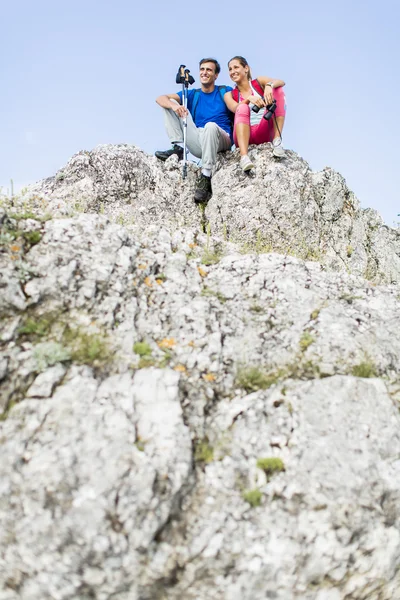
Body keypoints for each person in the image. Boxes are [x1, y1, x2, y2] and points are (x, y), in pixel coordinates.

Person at [155, 58, 233, 203]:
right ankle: (178, 147)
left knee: (210, 126)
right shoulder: (192, 94)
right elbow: (160, 98)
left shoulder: (225, 91)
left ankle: (206, 176)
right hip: (199, 139)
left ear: (216, 75)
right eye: (202, 69)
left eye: (209, 70)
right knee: (170, 102)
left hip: (221, 138)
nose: (204, 72)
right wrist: (174, 107)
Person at [224, 56, 286, 171]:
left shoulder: (258, 83)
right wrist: (248, 100)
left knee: (278, 90)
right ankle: (244, 157)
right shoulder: (229, 94)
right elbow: (234, 108)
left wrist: (269, 85)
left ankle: (277, 141)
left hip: (262, 130)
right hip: (243, 135)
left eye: (236, 67)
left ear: (246, 68)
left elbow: (281, 82)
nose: (232, 72)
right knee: (242, 107)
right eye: (230, 69)